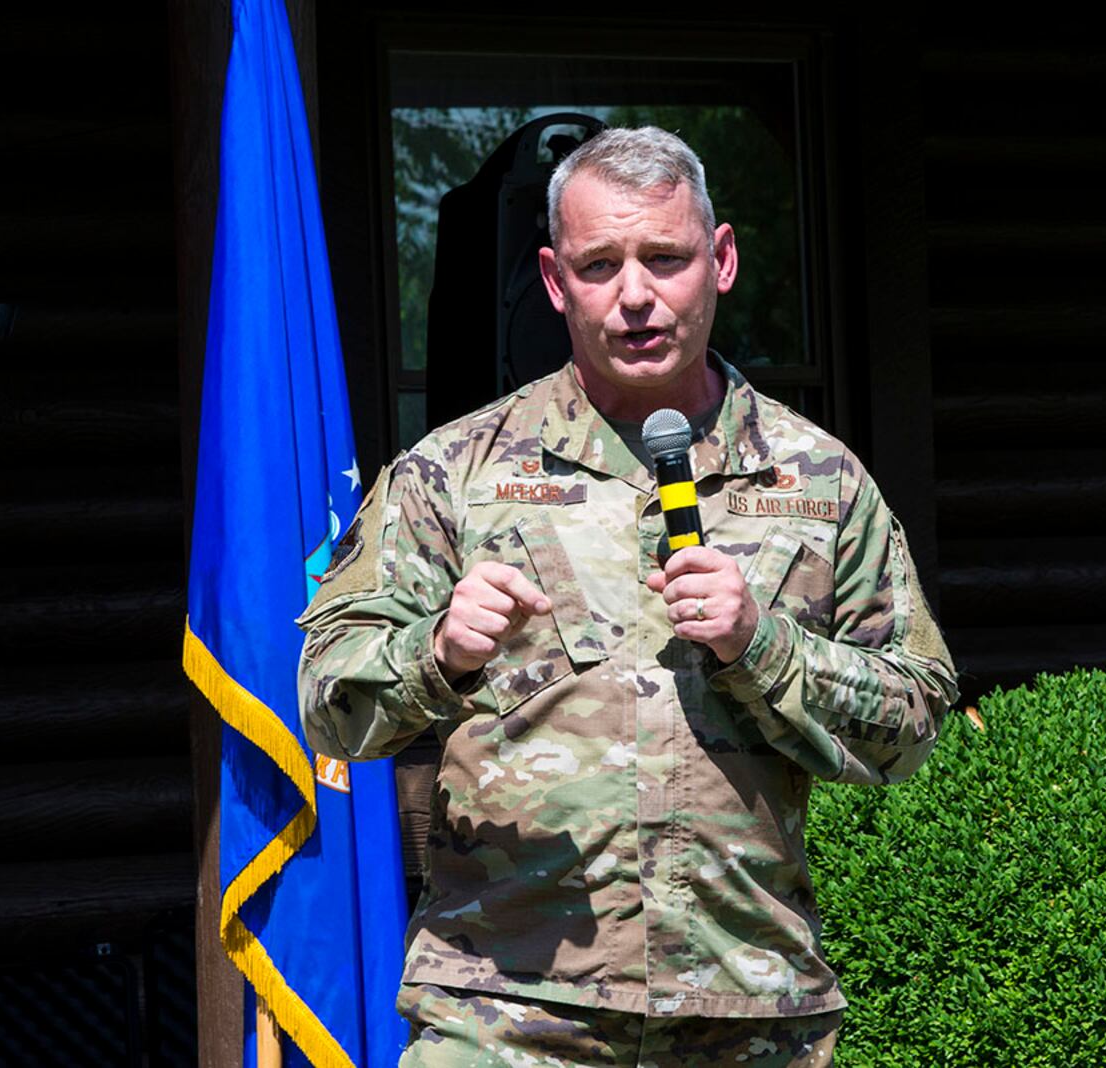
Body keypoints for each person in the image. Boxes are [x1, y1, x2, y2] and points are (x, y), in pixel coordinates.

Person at [299, 127, 956, 1066]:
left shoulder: (820, 481)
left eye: (666, 258)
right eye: (599, 265)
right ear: (555, 280)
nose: (636, 295)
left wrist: (763, 644)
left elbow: (915, 721)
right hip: (507, 1013)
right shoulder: (456, 473)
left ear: (721, 260)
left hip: (747, 1011)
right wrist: (436, 654)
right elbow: (328, 705)